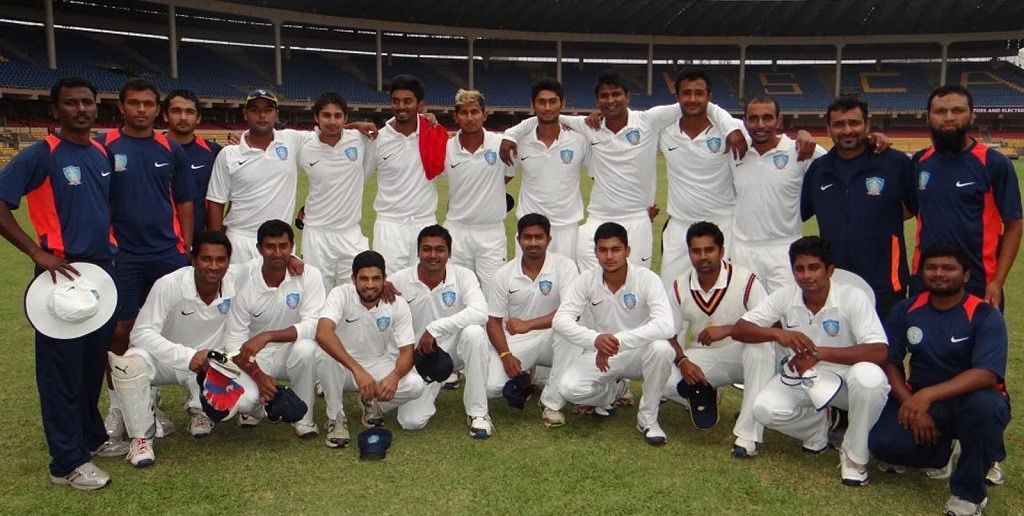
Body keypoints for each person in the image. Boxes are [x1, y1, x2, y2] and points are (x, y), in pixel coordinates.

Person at [0, 77, 125, 490]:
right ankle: (66, 462)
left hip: (100, 275)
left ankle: (90, 438)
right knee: (61, 372)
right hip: (61, 275)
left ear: (96, 107)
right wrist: (37, 253)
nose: (80, 109)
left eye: (86, 102)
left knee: (91, 366)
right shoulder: (41, 154)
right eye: (70, 103)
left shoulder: (101, 152)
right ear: (57, 111)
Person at [501, 69, 746, 272]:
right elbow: (551, 116)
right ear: (597, 101)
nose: (611, 100)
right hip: (597, 217)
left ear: (627, 97)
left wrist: (731, 128)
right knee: (588, 281)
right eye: (605, 96)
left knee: (636, 284)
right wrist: (512, 133)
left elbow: (699, 104)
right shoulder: (589, 127)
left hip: (637, 218)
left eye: (616, 94)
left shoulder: (649, 120)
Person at [733, 236, 890, 487]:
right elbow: (741, 329)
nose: (806, 276)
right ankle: (819, 427)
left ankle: (854, 457)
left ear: (829, 270)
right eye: (799, 268)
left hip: (847, 381)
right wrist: (777, 333)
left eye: (814, 267)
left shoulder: (852, 297)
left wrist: (819, 354)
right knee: (764, 410)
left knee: (870, 378)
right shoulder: (787, 296)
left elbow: (879, 351)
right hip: (803, 377)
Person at [869, 243, 1010, 516]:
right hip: (924, 401)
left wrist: (926, 397)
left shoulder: (985, 314)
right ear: (922, 272)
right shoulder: (907, 309)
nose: (939, 274)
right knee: (882, 446)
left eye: (949, 268)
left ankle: (968, 495)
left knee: (986, 408)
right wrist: (912, 403)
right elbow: (890, 362)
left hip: (972, 401)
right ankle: (941, 453)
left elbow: (986, 374)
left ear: (966, 275)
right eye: (931, 267)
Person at [99, 79, 196, 441]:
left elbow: (185, 200)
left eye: (148, 104)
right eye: (135, 103)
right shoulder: (104, 146)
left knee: (172, 329)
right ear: (121, 106)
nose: (142, 109)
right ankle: (119, 407)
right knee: (121, 330)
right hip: (122, 255)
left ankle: (160, 401)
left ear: (157, 109)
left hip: (166, 253)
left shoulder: (170, 147)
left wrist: (185, 244)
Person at [108, 231, 240, 467]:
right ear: (193, 259)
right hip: (167, 360)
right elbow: (140, 333)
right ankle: (141, 438)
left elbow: (268, 261)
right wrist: (187, 356)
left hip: (207, 363)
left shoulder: (237, 281)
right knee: (130, 363)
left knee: (246, 401)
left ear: (230, 261)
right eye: (206, 259)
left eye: (221, 260)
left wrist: (294, 261)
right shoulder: (169, 284)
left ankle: (200, 411)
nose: (213, 266)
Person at [552, 222, 675, 445]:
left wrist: (617, 340)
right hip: (601, 353)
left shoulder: (647, 279)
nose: (609, 256)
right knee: (569, 389)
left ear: (627, 251)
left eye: (616, 249)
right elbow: (560, 320)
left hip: (639, 354)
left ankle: (648, 420)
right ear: (596, 252)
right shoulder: (587, 279)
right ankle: (615, 390)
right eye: (603, 250)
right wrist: (595, 339)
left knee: (661, 348)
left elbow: (666, 325)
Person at [663, 221, 774, 458]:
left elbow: (771, 327)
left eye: (709, 250)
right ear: (690, 253)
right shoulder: (680, 285)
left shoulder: (746, 280)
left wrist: (730, 329)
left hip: (747, 355)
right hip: (711, 357)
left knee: (759, 349)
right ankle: (708, 391)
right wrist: (682, 360)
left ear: (721, 251)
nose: (703, 257)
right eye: (696, 251)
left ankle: (748, 434)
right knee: (662, 378)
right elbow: (668, 334)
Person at [801, 96, 916, 318]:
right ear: (828, 128)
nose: (847, 130)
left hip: (885, 283)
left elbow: (916, 207)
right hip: (835, 282)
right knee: (838, 349)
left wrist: (881, 217)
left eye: (854, 123)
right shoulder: (819, 170)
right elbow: (799, 212)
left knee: (884, 350)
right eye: (839, 124)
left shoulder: (895, 163)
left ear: (867, 125)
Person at [462, 213, 581, 429]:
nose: (533, 243)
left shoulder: (565, 266)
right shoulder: (505, 273)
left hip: (552, 339)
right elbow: (494, 321)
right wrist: (506, 355)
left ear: (549, 239)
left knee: (568, 331)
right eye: (527, 237)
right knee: (491, 387)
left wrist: (529, 324)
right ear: (518, 240)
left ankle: (551, 403)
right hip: (518, 341)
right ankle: (525, 376)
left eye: (539, 237)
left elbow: (570, 312)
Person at [910, 84, 1022, 310]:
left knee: (980, 345)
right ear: (928, 117)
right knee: (924, 344)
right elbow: (906, 208)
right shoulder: (920, 161)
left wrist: (997, 282)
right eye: (940, 112)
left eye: (957, 110)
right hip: (926, 278)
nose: (949, 117)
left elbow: (1014, 225)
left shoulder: (994, 163)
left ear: (972, 115)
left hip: (978, 281)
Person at [314, 250, 425, 448]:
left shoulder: (397, 303)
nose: (370, 285)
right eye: (363, 279)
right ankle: (336, 417)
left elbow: (407, 351)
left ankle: (371, 402)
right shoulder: (340, 294)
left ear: (385, 279)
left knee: (415, 385)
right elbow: (323, 333)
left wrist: (395, 377)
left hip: (376, 364)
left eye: (376, 278)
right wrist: (358, 370)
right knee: (325, 355)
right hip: (343, 367)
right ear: (353, 279)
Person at [224, 220, 325, 437]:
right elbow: (233, 344)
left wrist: (268, 336)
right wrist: (259, 376)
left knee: (306, 348)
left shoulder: (310, 275)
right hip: (257, 357)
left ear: (292, 247)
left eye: (283, 246)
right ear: (259, 249)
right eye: (270, 247)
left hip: (291, 351)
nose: (277, 253)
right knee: (243, 403)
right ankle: (260, 406)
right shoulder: (244, 283)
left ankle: (303, 419)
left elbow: (314, 324)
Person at [388, 225, 491, 435]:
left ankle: (478, 413)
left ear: (449, 253)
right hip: (420, 359)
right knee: (411, 422)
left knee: (475, 333)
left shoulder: (464, 276)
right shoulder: (398, 281)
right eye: (426, 249)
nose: (433, 255)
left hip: (455, 349)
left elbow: (481, 312)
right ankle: (431, 386)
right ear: (417, 252)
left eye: (440, 249)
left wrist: (434, 329)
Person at [657, 69, 754, 288]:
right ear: (677, 97)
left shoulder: (732, 129)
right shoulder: (664, 130)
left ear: (709, 97)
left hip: (722, 224)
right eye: (686, 93)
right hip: (680, 225)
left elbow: (768, 141)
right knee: (671, 292)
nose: (692, 99)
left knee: (727, 293)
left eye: (699, 93)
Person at [730, 97, 826, 293]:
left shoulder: (800, 150)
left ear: (779, 120)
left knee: (786, 316)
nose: (760, 125)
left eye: (767, 118)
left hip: (784, 248)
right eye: (753, 119)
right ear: (745, 121)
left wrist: (872, 139)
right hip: (742, 250)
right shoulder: (736, 151)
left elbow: (841, 160)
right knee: (746, 316)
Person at [207, 89, 310, 264]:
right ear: (245, 114)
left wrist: (357, 126)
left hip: (280, 242)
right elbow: (216, 203)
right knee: (238, 292)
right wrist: (216, 245)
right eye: (255, 110)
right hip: (240, 240)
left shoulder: (292, 140)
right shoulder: (229, 154)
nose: (262, 115)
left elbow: (328, 132)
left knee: (278, 291)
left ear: (276, 114)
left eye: (268, 110)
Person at [369, 75, 446, 274]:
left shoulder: (434, 133)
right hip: (389, 225)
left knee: (425, 285)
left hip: (424, 223)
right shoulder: (378, 139)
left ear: (420, 105)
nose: (401, 106)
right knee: (389, 288)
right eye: (396, 101)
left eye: (408, 101)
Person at [298, 92, 375, 290]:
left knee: (354, 293)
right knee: (316, 295)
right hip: (316, 234)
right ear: (316, 118)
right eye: (326, 115)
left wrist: (426, 118)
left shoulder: (360, 140)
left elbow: (396, 127)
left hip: (350, 233)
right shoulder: (304, 145)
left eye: (338, 116)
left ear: (345, 118)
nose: (332, 121)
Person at [504, 78, 587, 260]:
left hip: (567, 227)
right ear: (532, 105)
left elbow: (600, 177)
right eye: (541, 102)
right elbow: (503, 178)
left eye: (553, 101)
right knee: (526, 285)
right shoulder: (520, 141)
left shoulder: (579, 140)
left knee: (566, 286)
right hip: (530, 227)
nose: (547, 108)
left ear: (562, 103)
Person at [442, 89, 514, 289]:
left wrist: (488, 190)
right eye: (464, 113)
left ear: (484, 114)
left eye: (474, 112)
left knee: (495, 293)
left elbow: (508, 174)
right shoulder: (446, 148)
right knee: (455, 291)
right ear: (456, 117)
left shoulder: (500, 144)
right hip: (457, 231)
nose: (470, 118)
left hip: (491, 232)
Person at [162, 88, 222, 238]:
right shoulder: (152, 149)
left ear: (198, 117)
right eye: (176, 111)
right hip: (161, 240)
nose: (183, 117)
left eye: (189, 112)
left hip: (201, 240)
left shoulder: (214, 152)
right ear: (165, 115)